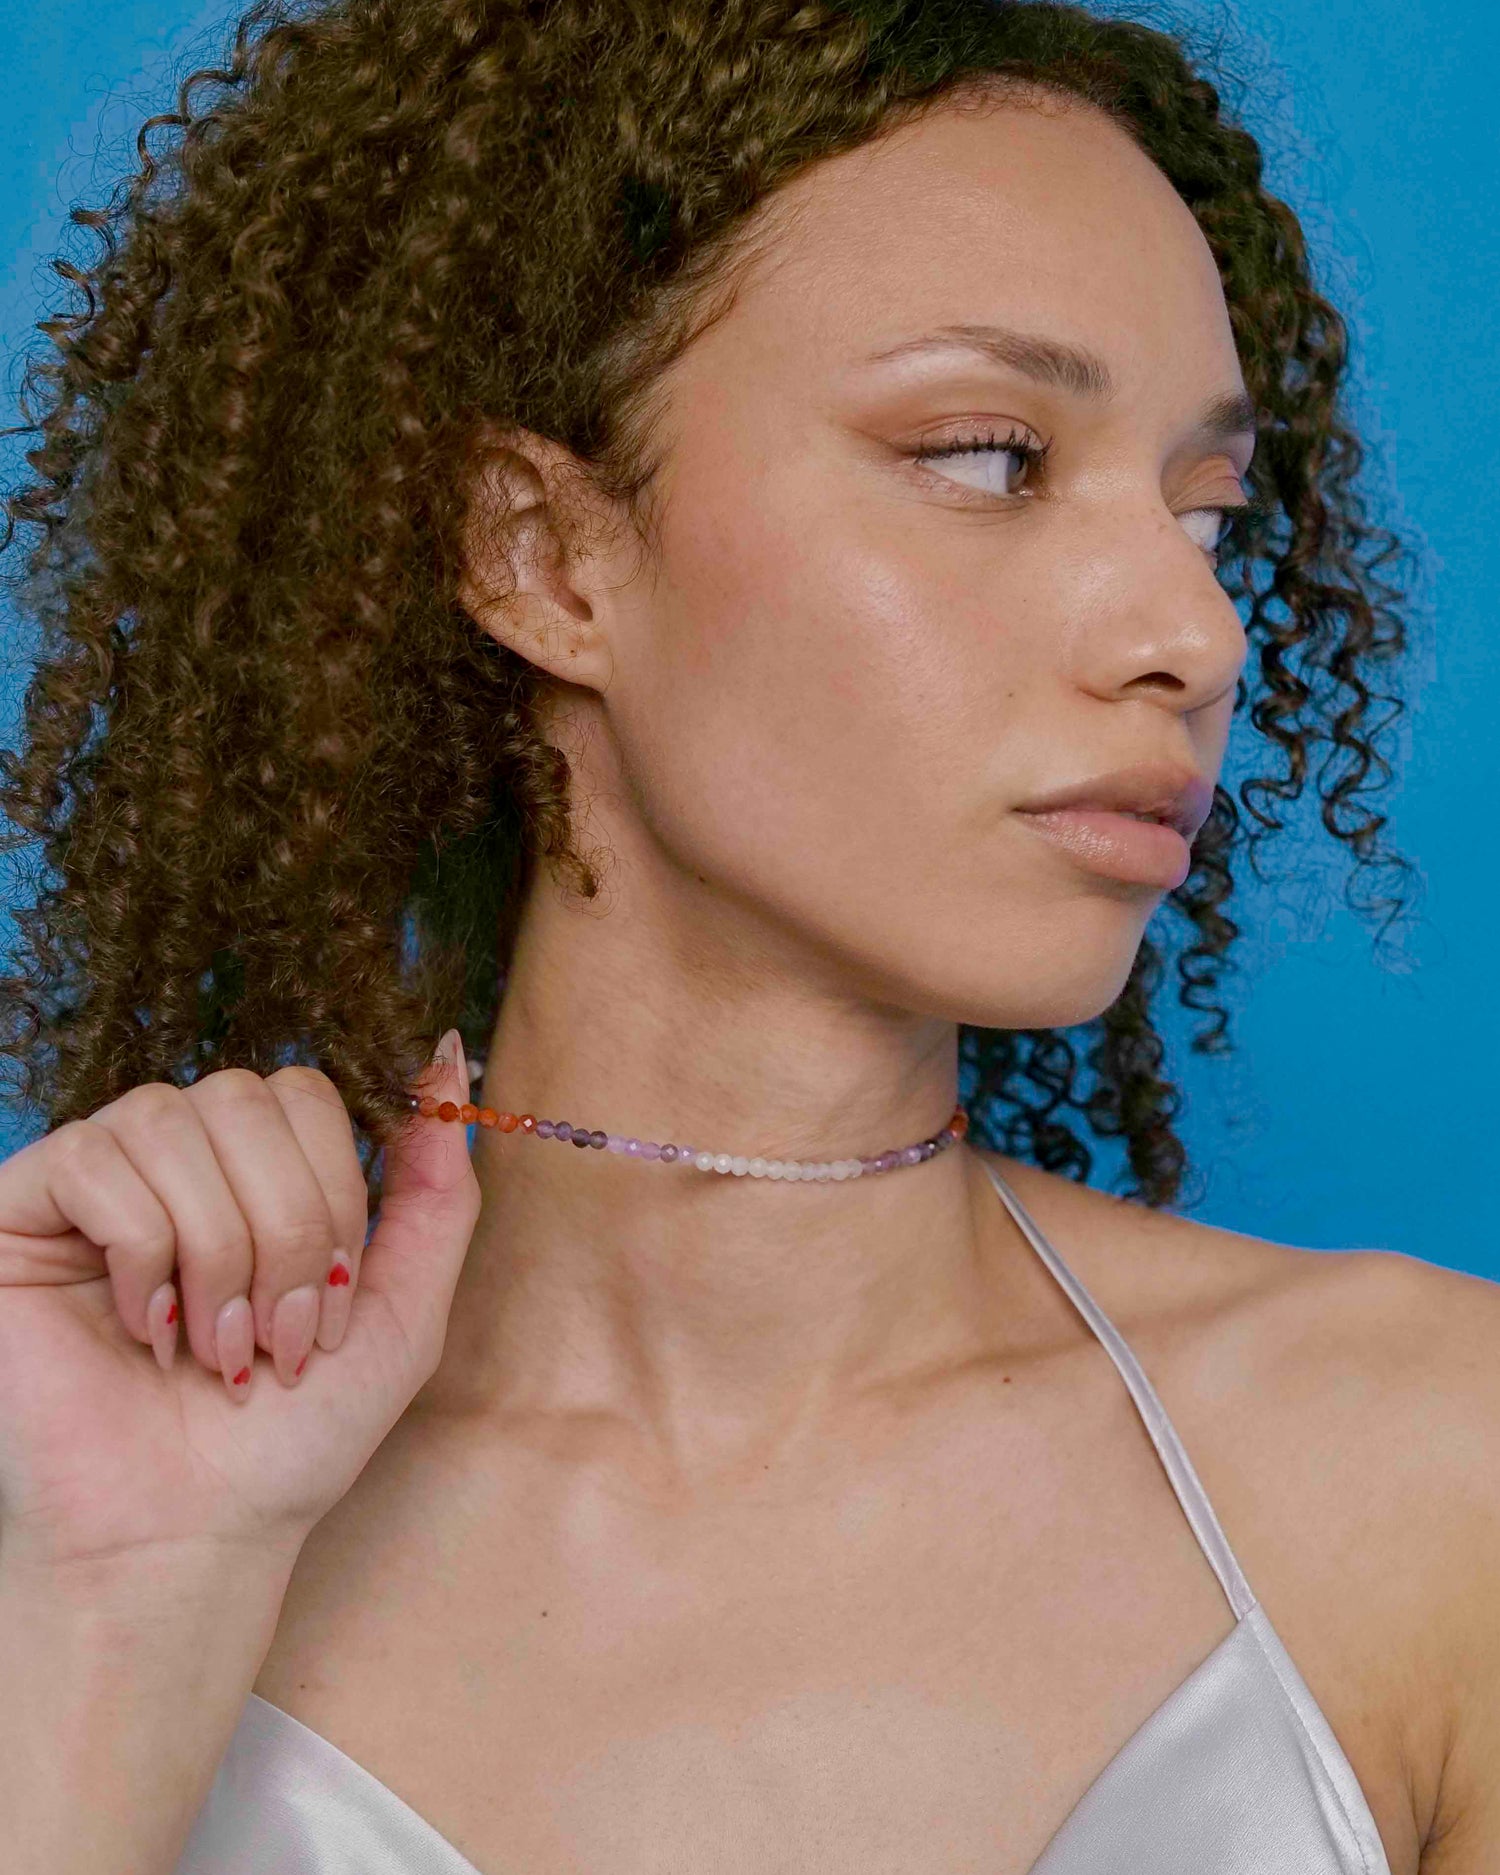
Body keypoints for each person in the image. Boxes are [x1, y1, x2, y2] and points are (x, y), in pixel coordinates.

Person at [0, 0, 1491, 1869]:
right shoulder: (83, 1509)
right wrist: (107, 1611)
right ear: (542, 557)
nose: (1195, 636)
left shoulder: (1442, 1478)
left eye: (1207, 510)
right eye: (984, 456)